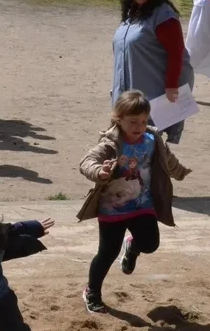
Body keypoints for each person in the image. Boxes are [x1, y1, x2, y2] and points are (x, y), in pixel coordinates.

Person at [76, 91, 191, 314]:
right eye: (133, 122)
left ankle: (133, 245)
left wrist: (180, 172)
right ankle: (92, 292)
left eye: (143, 121)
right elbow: (86, 162)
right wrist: (100, 172)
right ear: (118, 119)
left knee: (150, 244)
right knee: (107, 253)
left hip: (142, 204)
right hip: (113, 208)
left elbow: (167, 160)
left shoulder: (152, 139)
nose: (139, 126)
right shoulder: (110, 143)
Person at [112, 0, 194, 144]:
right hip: (128, 95)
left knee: (147, 146)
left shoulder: (164, 16)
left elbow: (176, 52)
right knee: (124, 145)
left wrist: (172, 86)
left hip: (152, 96)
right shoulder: (133, 13)